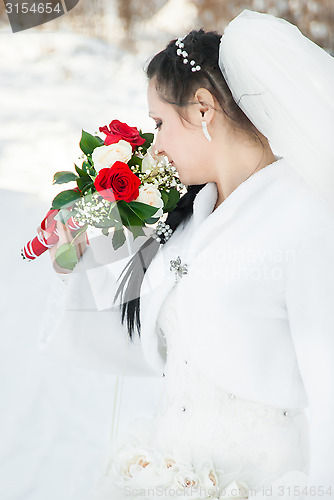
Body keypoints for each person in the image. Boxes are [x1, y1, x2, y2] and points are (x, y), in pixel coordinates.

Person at [41, 9, 334, 500]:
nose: (155, 144)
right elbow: (149, 330)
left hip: (262, 484)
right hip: (170, 472)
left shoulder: (306, 219)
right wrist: (85, 239)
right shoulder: (191, 215)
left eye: (159, 123)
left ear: (202, 110)